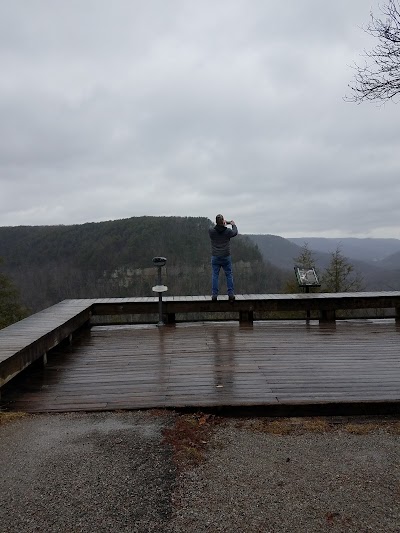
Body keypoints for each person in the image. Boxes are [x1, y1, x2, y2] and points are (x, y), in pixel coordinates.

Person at [208, 214, 238, 301]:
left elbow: (214, 228)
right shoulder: (228, 231)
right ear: (223, 222)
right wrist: (232, 224)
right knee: (228, 274)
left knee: (215, 275)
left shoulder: (212, 232)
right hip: (226, 256)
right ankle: (231, 294)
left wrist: (220, 224)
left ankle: (214, 295)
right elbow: (235, 232)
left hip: (215, 257)